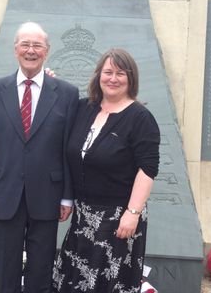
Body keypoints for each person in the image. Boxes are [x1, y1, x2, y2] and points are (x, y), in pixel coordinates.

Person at [0, 21, 79, 293]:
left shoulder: (67, 94)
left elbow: (68, 150)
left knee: (41, 271)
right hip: (3, 192)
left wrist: (67, 196)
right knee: (3, 270)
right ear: (15, 49)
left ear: (47, 51)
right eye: (25, 44)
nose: (30, 50)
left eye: (37, 45)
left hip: (47, 195)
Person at [52, 48, 160, 293]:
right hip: (83, 217)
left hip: (118, 220)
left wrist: (133, 212)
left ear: (131, 79)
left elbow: (147, 169)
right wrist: (48, 80)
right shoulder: (84, 109)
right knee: (75, 280)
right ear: (98, 75)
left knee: (108, 284)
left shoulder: (140, 118)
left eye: (120, 73)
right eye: (108, 72)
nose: (113, 78)